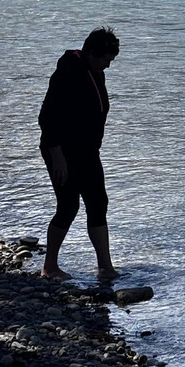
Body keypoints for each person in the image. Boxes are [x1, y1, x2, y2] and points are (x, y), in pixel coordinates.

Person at [38, 26, 121, 280]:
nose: (107, 66)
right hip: (61, 150)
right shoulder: (67, 72)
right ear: (92, 53)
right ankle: (49, 267)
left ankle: (105, 267)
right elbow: (47, 117)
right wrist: (57, 157)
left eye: (110, 61)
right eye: (105, 59)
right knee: (68, 205)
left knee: (98, 203)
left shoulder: (94, 71)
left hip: (87, 151)